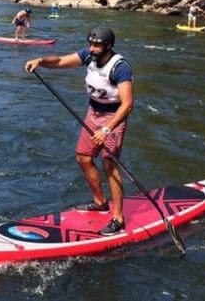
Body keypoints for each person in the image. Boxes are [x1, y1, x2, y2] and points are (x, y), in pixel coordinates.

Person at [23, 27, 134, 236]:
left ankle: (118, 218)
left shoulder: (120, 67)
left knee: (109, 163)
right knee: (83, 157)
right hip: (94, 112)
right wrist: (40, 61)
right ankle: (100, 202)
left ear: (108, 46)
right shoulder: (88, 56)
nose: (92, 48)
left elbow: (127, 104)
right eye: (90, 44)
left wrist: (107, 129)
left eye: (97, 45)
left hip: (114, 117)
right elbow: (61, 61)